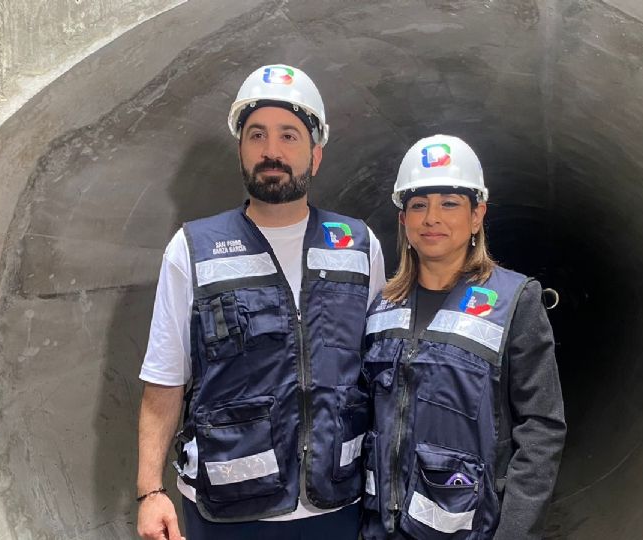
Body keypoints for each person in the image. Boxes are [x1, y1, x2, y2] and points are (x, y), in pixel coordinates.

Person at [136, 64, 385, 540]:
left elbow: (378, 374)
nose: (272, 151)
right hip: (227, 511)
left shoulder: (359, 245)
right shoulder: (192, 249)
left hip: (338, 502)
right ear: (241, 150)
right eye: (257, 135)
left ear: (315, 155)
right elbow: (164, 380)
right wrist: (150, 491)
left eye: (289, 135)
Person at [360, 135, 566, 539]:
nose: (431, 218)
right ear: (403, 220)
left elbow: (541, 427)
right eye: (419, 205)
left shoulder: (514, 301)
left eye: (450, 204)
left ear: (476, 216)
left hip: (471, 528)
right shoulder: (381, 306)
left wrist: (515, 532)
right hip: (380, 528)